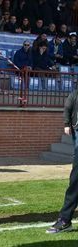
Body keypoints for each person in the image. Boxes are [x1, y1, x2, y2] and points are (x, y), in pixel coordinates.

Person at [46, 89, 78, 234]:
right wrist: (66, 123)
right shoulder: (75, 94)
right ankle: (65, 220)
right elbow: (67, 107)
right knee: (76, 181)